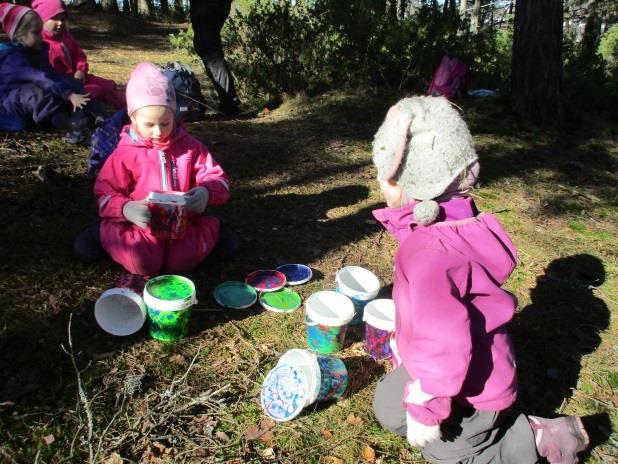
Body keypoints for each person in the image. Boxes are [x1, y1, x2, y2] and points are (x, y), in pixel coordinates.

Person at [370, 96, 589, 464]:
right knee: (388, 406)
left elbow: (443, 335)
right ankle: (431, 397)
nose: (378, 183)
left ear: (410, 183)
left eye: (385, 176)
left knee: (447, 451)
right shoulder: (458, 221)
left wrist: (428, 407)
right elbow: (429, 242)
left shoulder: (428, 256)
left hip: (475, 387)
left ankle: (532, 438)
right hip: (452, 362)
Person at [75, 62, 234, 277]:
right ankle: (102, 233)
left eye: (166, 123)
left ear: (174, 116)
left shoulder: (190, 147)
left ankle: (213, 228)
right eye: (150, 125)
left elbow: (217, 178)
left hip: (183, 223)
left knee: (179, 264)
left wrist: (207, 192)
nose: (159, 131)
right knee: (144, 263)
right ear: (133, 119)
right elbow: (105, 192)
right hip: (141, 225)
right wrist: (125, 209)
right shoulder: (125, 154)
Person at [0, 2, 100, 143]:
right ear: (19, 36)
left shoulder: (37, 52)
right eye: (35, 32)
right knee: (33, 93)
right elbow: (38, 77)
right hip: (9, 104)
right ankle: (70, 126)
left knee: (67, 81)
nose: (41, 36)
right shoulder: (12, 59)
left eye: (40, 31)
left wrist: (70, 87)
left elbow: (51, 74)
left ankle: (97, 115)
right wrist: (68, 94)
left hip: (35, 101)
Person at [31, 0, 125, 110]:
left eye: (62, 18)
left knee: (107, 85)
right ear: (42, 20)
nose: (60, 22)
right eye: (54, 18)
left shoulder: (66, 37)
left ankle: (127, 107)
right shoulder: (40, 43)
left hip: (80, 78)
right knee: (94, 90)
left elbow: (79, 55)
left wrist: (81, 70)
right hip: (62, 86)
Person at [189, 0, 240, 116]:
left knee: (211, 54)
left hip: (206, 6)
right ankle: (228, 102)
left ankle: (230, 103)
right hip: (216, 6)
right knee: (204, 48)